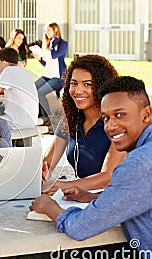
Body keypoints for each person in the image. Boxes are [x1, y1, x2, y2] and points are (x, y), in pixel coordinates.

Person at [30, 76, 152, 259]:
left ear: (146, 114)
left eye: (120, 115)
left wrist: (48, 207)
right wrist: (95, 198)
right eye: (106, 118)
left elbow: (80, 227)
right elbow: (151, 196)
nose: (111, 126)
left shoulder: (138, 163)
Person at [42, 54, 126, 194]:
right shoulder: (70, 120)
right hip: (81, 197)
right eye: (74, 83)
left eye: (88, 84)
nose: (78, 90)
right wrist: (39, 176)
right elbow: (47, 163)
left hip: (117, 198)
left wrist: (61, 186)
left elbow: (108, 176)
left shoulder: (119, 123)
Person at [0, 47, 38, 130]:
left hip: (16, 123)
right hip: (31, 121)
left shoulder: (8, 71)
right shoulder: (24, 71)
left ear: (4, 63)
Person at [32, 22, 67, 118]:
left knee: (40, 93)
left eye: (48, 30)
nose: (46, 33)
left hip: (57, 77)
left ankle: (48, 117)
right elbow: (47, 64)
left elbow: (54, 55)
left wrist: (52, 43)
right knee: (32, 89)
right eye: (45, 31)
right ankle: (37, 114)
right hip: (47, 75)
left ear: (55, 30)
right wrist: (39, 59)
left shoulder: (63, 44)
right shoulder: (47, 45)